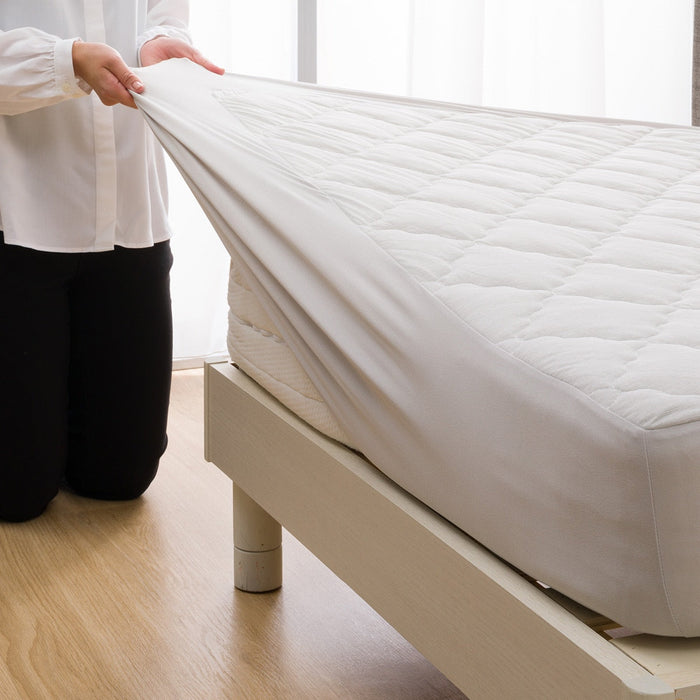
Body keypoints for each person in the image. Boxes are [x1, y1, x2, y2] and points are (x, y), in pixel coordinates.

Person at [0, 2, 223, 522]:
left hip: (129, 217)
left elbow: (164, 14)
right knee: (16, 493)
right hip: (18, 218)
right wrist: (68, 61)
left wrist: (154, 45)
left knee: (120, 478)